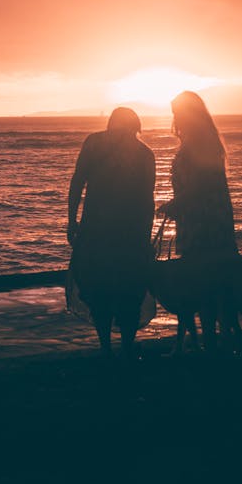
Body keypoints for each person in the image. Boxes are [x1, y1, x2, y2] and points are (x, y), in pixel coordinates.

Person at [66, 106, 156, 358]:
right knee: (128, 292)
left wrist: (72, 220)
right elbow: (147, 201)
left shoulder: (94, 144)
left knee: (99, 291)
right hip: (129, 234)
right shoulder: (144, 154)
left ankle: (107, 347)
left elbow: (77, 182)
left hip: (98, 232)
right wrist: (146, 238)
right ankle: (125, 346)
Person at [159, 91, 239, 349]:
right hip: (206, 220)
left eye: (177, 113)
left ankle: (213, 346)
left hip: (203, 223)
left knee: (206, 284)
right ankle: (217, 343)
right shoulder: (204, 141)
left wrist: (176, 204)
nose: (175, 119)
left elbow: (200, 185)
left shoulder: (199, 143)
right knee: (214, 286)